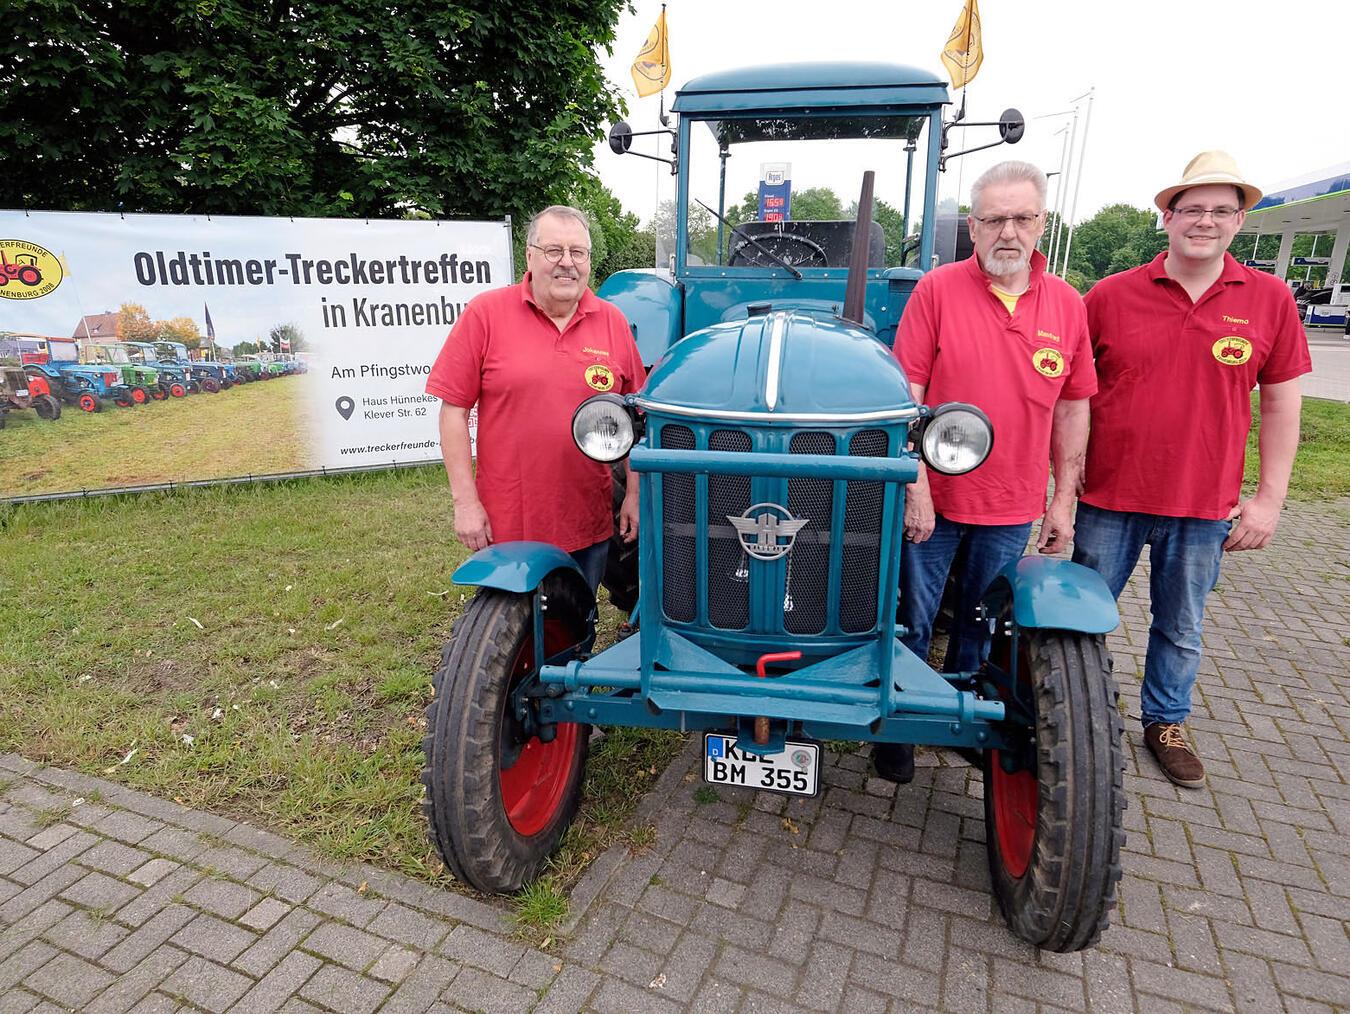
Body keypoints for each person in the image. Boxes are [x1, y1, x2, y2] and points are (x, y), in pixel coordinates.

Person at [1072, 151, 1311, 789]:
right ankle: (1071, 715)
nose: (1205, 221)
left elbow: (1283, 403)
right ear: (1168, 217)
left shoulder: (1269, 299)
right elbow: (1070, 395)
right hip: (1107, 499)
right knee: (1079, 619)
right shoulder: (1110, 295)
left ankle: (1165, 722)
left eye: (1221, 211)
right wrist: (1060, 486)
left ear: (1240, 222)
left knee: (1181, 626)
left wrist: (1269, 499)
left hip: (1204, 504)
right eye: (1192, 209)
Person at [878, 161, 1098, 783]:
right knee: (913, 616)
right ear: (972, 226)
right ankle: (898, 725)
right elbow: (907, 391)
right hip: (937, 499)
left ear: (1041, 224)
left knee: (984, 618)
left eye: (1022, 218)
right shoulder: (938, 290)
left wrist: (1063, 501)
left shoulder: (1067, 306)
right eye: (995, 219)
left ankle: (965, 717)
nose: (1009, 231)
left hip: (1012, 501)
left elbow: (1073, 405)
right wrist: (914, 485)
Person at [425, 205, 644, 591]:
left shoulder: (612, 321)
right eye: (553, 250)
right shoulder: (486, 314)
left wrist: (635, 497)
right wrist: (465, 503)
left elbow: (634, 420)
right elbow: (453, 412)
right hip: (508, 523)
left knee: (576, 629)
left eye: (578, 252)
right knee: (507, 633)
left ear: (589, 260)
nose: (567, 263)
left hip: (587, 523)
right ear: (529, 255)